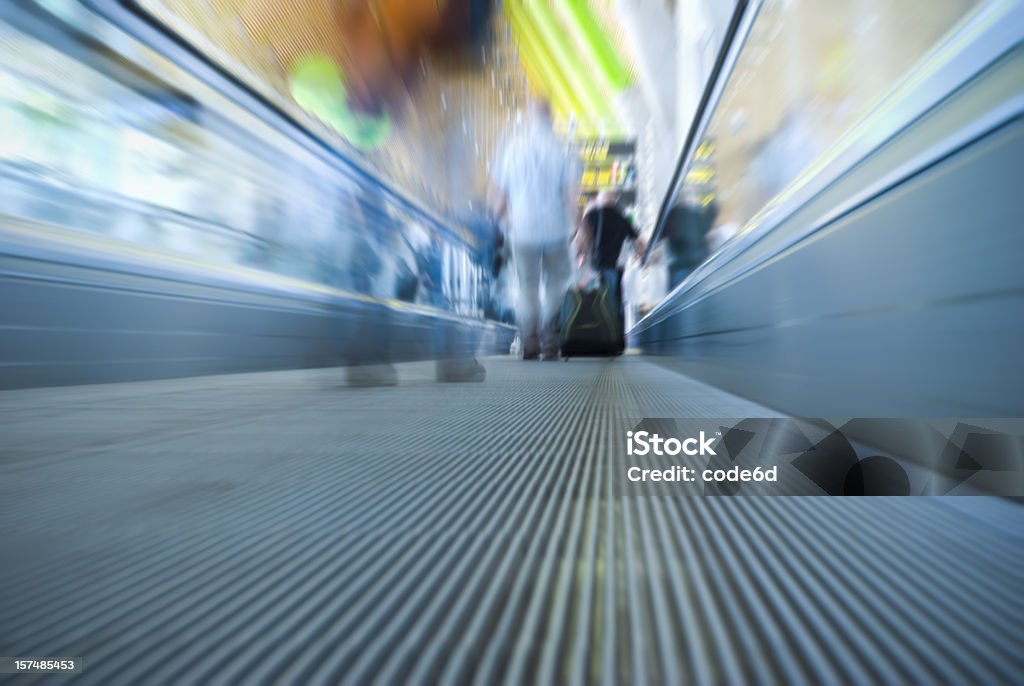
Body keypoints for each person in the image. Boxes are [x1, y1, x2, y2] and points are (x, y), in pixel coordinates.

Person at [492, 100, 580, 360]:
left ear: (530, 118)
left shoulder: (512, 149)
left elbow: (499, 197)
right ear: (551, 118)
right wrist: (579, 226)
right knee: (557, 282)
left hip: (522, 230)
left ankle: (530, 341)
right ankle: (550, 342)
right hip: (556, 229)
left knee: (526, 286)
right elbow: (570, 195)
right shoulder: (564, 149)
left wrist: (500, 224)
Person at [580, 190, 646, 317]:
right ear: (615, 201)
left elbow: (580, 242)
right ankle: (608, 331)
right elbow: (640, 242)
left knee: (589, 304)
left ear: (599, 201)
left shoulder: (590, 215)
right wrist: (641, 255)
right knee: (608, 307)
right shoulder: (623, 218)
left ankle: (588, 330)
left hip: (590, 268)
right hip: (611, 268)